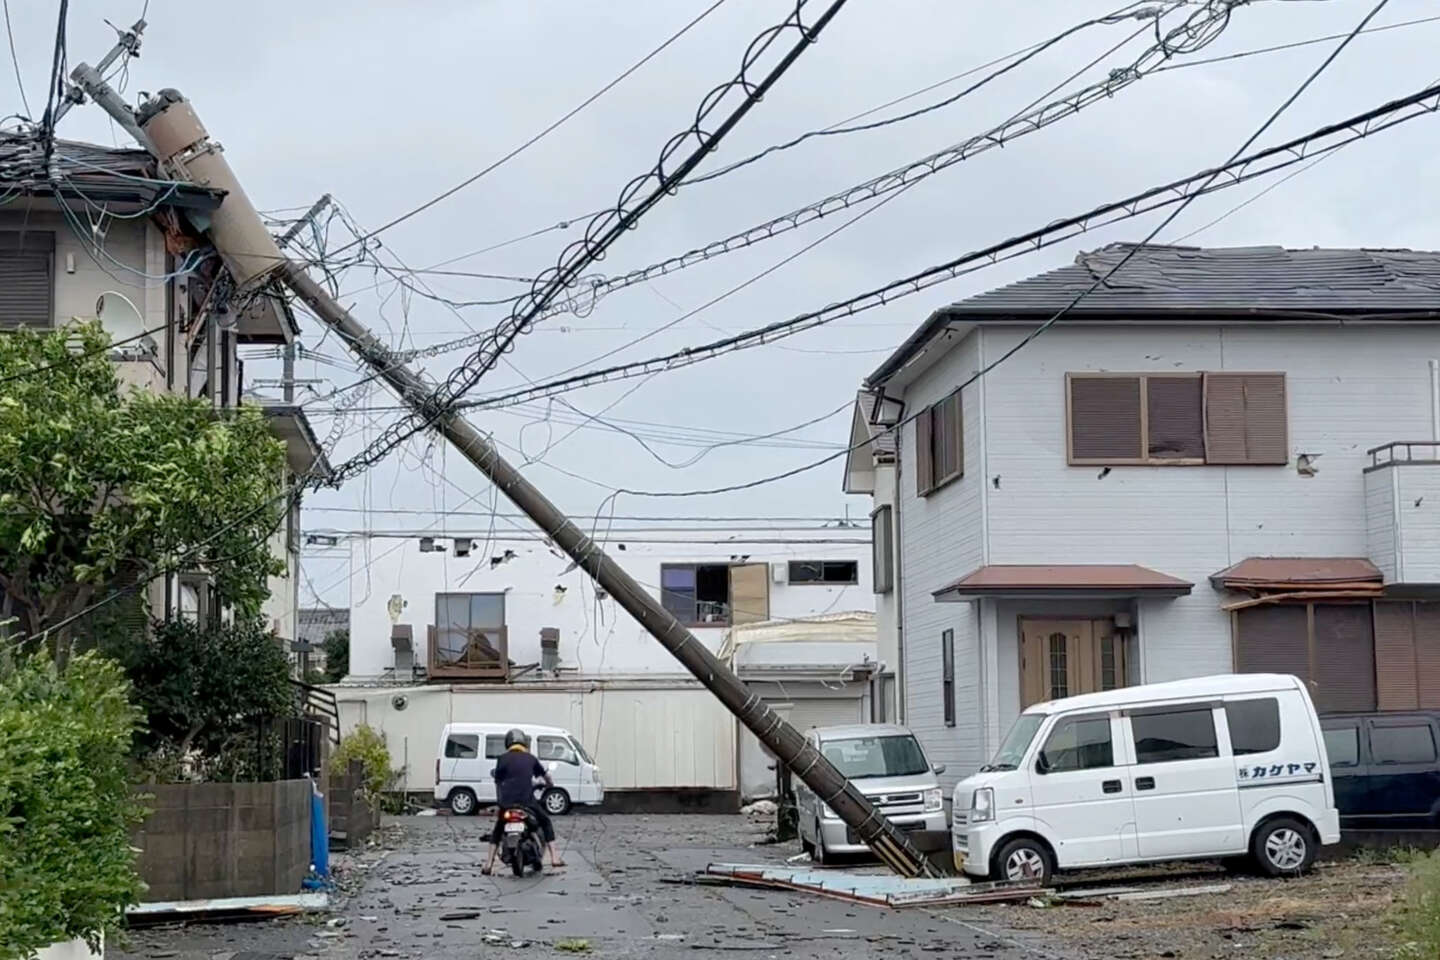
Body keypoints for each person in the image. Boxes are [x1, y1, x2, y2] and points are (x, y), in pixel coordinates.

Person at [481, 728, 565, 873]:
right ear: (524, 743)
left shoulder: (502, 759)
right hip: (527, 803)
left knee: (497, 830)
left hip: (507, 805)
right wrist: (549, 784)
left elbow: (498, 779)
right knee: (545, 821)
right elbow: (546, 776)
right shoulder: (530, 758)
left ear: (508, 743)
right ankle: (554, 858)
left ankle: (488, 864)